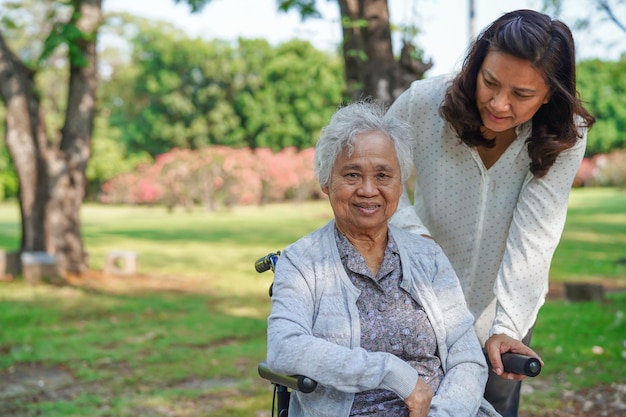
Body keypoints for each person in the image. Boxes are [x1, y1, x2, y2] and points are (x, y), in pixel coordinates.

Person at [385, 9, 596, 417]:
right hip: (416, 295)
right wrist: (414, 240)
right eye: (490, 82)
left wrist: (507, 327)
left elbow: (535, 235)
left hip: (502, 304)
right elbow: (377, 179)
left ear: (550, 93)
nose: (499, 104)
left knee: (490, 409)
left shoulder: (565, 135)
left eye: (521, 95)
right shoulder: (425, 102)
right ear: (477, 65)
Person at [266, 100, 501, 417]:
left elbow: (466, 356)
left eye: (382, 175)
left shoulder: (426, 255)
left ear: (399, 183)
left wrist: (445, 413)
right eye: (351, 174)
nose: (368, 189)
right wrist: (393, 373)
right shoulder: (302, 261)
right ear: (326, 181)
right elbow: (285, 347)